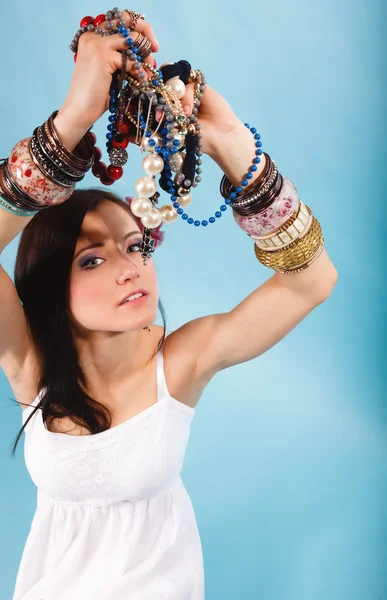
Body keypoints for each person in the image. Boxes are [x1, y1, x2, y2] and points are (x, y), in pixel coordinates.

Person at [0, 9, 338, 600]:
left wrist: (236, 150)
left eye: (135, 246)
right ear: (50, 284)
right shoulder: (32, 367)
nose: (130, 267)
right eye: (92, 259)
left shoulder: (178, 362)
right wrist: (74, 119)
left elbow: (311, 281)